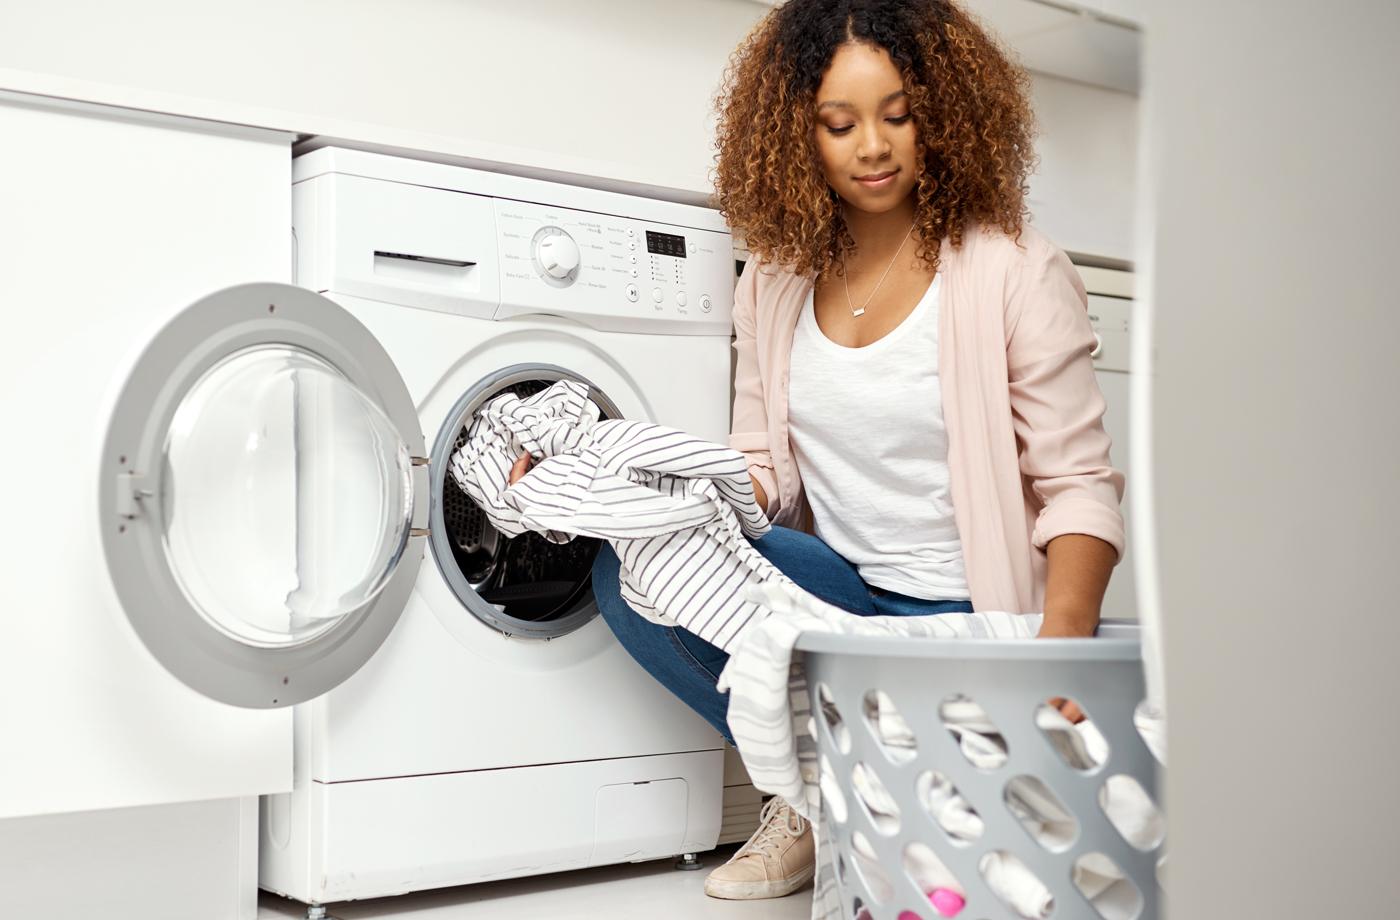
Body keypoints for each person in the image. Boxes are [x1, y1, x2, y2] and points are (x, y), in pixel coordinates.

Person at [514, 0, 1125, 901]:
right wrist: (590, 481)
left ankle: (856, 789)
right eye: (839, 124)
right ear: (798, 133)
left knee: (976, 863)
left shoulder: (1012, 270)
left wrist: (1060, 664)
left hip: (958, 623)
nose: (872, 147)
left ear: (944, 114)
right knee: (631, 570)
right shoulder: (774, 280)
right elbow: (751, 474)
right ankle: (814, 790)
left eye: (898, 114)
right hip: (833, 604)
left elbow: (1078, 489)